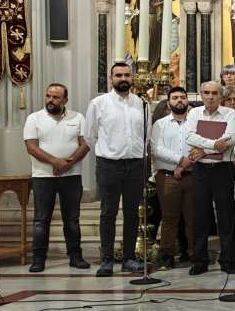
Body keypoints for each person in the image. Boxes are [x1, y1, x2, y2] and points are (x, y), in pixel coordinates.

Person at [85, 62, 147, 276]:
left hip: (135, 165)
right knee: (108, 212)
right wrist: (108, 152)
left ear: (132, 78)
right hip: (109, 165)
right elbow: (90, 135)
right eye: (118, 75)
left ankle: (129, 258)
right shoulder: (99, 103)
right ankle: (107, 260)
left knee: (132, 213)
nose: (123, 79)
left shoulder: (141, 103)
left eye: (127, 75)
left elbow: (145, 134)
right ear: (111, 78)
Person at [24, 84, 90, 272]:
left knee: (72, 219)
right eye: (48, 96)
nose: (50, 100)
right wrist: (56, 162)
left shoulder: (78, 117)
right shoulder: (34, 118)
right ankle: (38, 259)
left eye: (56, 97)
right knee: (41, 219)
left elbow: (86, 144)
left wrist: (68, 164)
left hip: (71, 176)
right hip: (43, 176)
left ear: (65, 100)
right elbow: (31, 147)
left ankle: (75, 257)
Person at [181, 82, 235, 274]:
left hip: (223, 169)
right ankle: (200, 260)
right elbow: (189, 137)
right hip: (201, 170)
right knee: (200, 216)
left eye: (214, 93)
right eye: (206, 93)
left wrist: (203, 150)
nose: (210, 96)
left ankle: (228, 260)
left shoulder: (230, 113)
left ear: (220, 96)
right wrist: (214, 145)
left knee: (226, 216)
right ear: (201, 94)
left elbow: (229, 139)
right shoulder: (194, 113)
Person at [150, 86, 195, 271]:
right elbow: (156, 149)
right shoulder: (160, 124)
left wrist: (185, 165)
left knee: (193, 217)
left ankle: (194, 253)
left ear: (187, 101)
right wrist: (179, 160)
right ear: (168, 103)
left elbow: (200, 145)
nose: (179, 100)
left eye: (182, 97)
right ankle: (166, 255)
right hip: (168, 176)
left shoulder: (195, 123)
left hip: (192, 175)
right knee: (169, 218)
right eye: (175, 98)